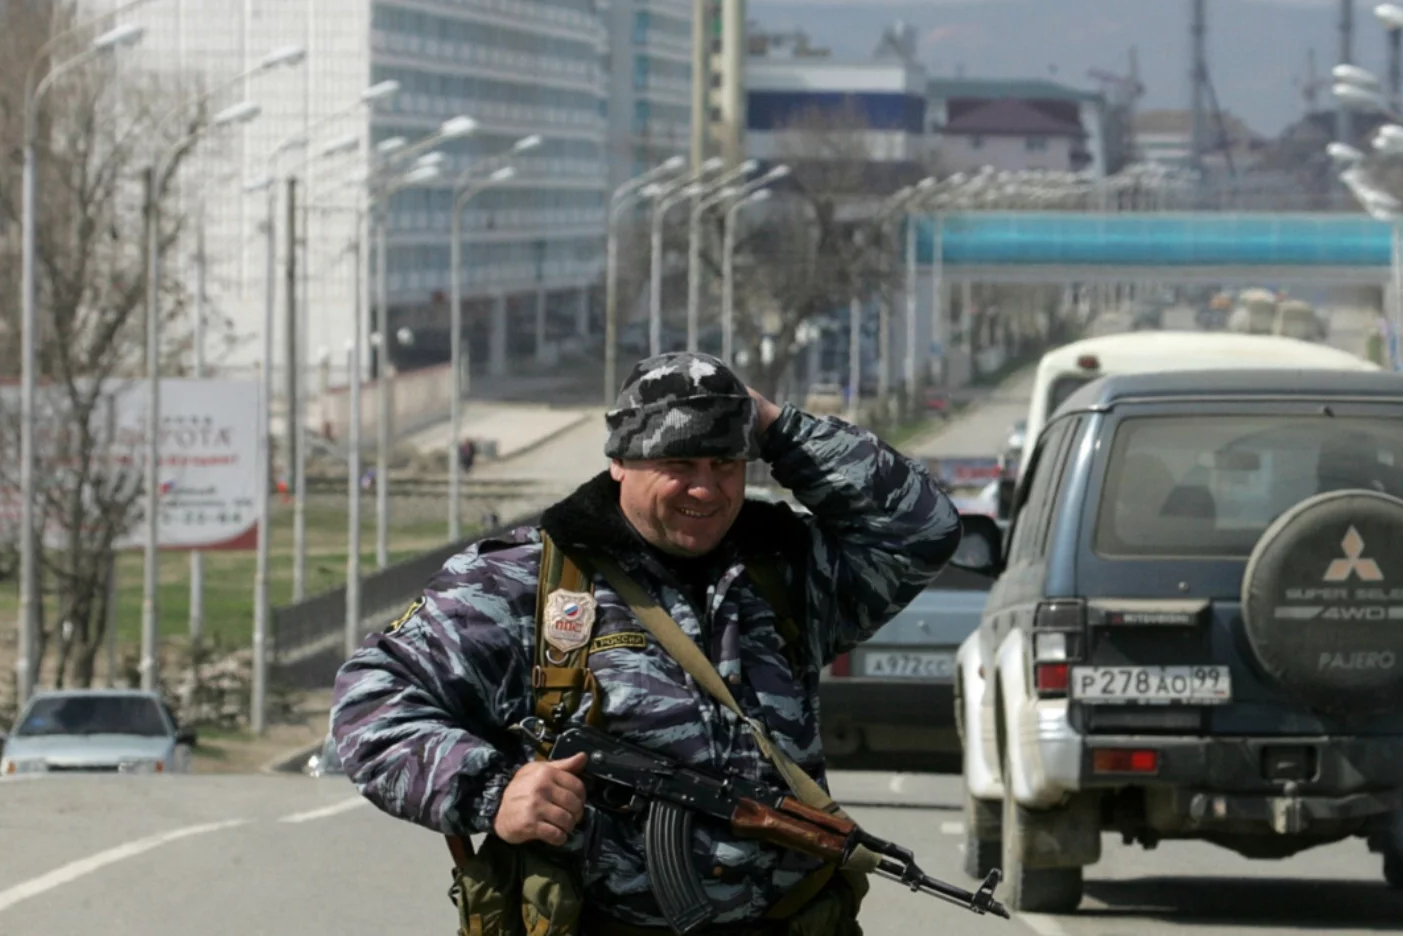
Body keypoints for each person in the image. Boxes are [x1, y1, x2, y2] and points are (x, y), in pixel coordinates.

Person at [331, 351, 962, 934]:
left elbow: (920, 527)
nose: (706, 490)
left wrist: (774, 425)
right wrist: (494, 791)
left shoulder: (785, 574)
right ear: (620, 462)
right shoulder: (526, 582)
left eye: (726, 464)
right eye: (679, 465)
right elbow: (369, 703)